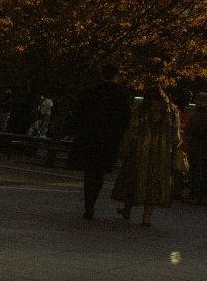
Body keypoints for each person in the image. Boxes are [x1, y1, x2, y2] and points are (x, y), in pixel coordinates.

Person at [111, 84, 182, 227]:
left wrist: (124, 149)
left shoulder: (141, 111)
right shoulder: (172, 112)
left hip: (139, 151)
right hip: (161, 154)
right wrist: (174, 147)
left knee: (133, 180)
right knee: (155, 184)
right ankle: (147, 217)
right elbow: (176, 136)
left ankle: (127, 209)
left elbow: (132, 132)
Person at [67, 65, 131, 219]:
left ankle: (89, 204)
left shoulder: (90, 92)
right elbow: (125, 119)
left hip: (89, 138)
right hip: (108, 140)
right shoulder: (121, 95)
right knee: (100, 171)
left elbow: (77, 112)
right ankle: (92, 199)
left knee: (89, 172)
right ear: (116, 76)